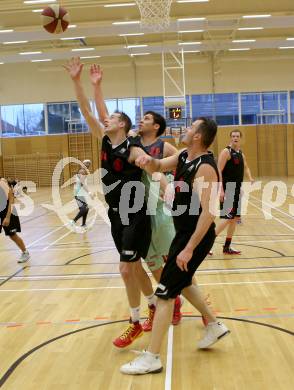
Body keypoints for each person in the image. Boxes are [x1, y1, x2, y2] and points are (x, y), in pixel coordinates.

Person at [120, 117, 230, 375]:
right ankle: (214, 325)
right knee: (186, 283)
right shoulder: (183, 156)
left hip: (196, 238)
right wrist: (147, 161)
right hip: (183, 233)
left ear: (198, 137)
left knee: (165, 295)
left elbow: (209, 213)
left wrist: (189, 248)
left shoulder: (206, 168)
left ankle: (152, 357)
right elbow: (158, 164)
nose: (186, 128)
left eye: (191, 127)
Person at [64, 57, 155, 348]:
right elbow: (88, 109)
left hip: (135, 213)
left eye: (113, 118)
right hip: (115, 214)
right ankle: (153, 303)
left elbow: (149, 165)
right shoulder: (105, 139)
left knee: (126, 269)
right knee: (135, 266)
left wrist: (150, 165)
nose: (107, 119)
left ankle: (135, 322)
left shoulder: (132, 148)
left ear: (123, 126)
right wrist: (83, 83)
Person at [92, 72, 183, 328]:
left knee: (167, 259)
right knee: (146, 263)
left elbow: (168, 166)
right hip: (127, 210)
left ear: (155, 126)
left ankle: (179, 295)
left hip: (152, 210)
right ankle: (160, 302)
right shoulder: (130, 139)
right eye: (140, 118)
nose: (141, 120)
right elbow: (104, 117)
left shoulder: (161, 147)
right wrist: (96, 86)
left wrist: (172, 187)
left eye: (147, 118)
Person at [215, 129, 254, 255]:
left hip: (237, 190)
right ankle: (205, 243)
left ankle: (227, 247)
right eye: (233, 136)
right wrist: (221, 190)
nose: (235, 138)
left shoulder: (241, 154)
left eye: (237, 136)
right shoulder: (226, 152)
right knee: (227, 219)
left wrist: (250, 177)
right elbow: (218, 171)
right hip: (228, 189)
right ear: (230, 138)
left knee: (234, 219)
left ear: (240, 138)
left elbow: (246, 167)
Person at [0, 178, 30, 264]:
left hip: (8, 212)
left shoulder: (2, 183)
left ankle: (25, 252)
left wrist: (8, 217)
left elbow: (11, 200)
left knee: (12, 235)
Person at [70, 159, 92, 232]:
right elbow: (82, 184)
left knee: (85, 208)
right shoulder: (82, 171)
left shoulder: (83, 171)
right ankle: (73, 221)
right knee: (84, 208)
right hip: (78, 193)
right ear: (83, 164)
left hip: (80, 193)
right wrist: (89, 193)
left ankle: (83, 224)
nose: (88, 165)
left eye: (89, 164)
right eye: (86, 163)